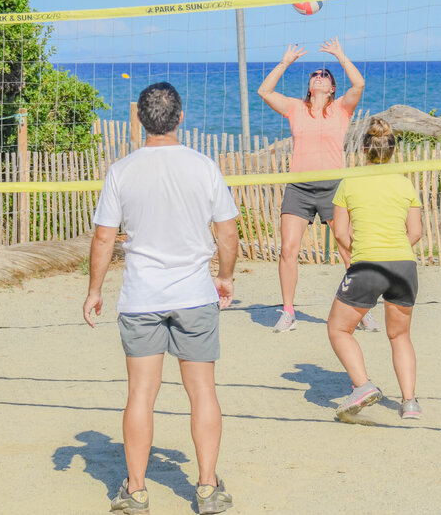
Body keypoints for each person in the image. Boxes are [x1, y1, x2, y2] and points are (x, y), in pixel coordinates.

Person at [84, 82, 240, 515]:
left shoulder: (122, 170)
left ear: (140, 119)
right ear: (181, 118)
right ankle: (207, 489)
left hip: (141, 296)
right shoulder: (204, 166)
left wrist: (94, 290)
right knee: (202, 392)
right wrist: (225, 277)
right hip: (194, 294)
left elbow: (103, 238)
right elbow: (227, 232)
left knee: (140, 395)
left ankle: (136, 493)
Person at [256, 37, 367, 333]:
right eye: (314, 75)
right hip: (300, 187)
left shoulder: (342, 108)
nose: (319, 77)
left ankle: (361, 308)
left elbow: (358, 85)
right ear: (309, 85)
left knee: (347, 248)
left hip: (334, 187)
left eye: (325, 76)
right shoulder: (295, 108)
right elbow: (264, 91)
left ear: (332, 87)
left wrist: (341, 55)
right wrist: (285, 62)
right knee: (288, 250)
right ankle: (289, 312)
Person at [326, 117, 425, 421]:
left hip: (368, 263)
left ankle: (362, 385)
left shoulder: (350, 181)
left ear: (363, 149)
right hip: (403, 265)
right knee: (400, 336)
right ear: (394, 151)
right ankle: (409, 403)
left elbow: (340, 232)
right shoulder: (404, 182)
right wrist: (394, 250)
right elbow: (416, 232)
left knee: (338, 329)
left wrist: (361, 251)